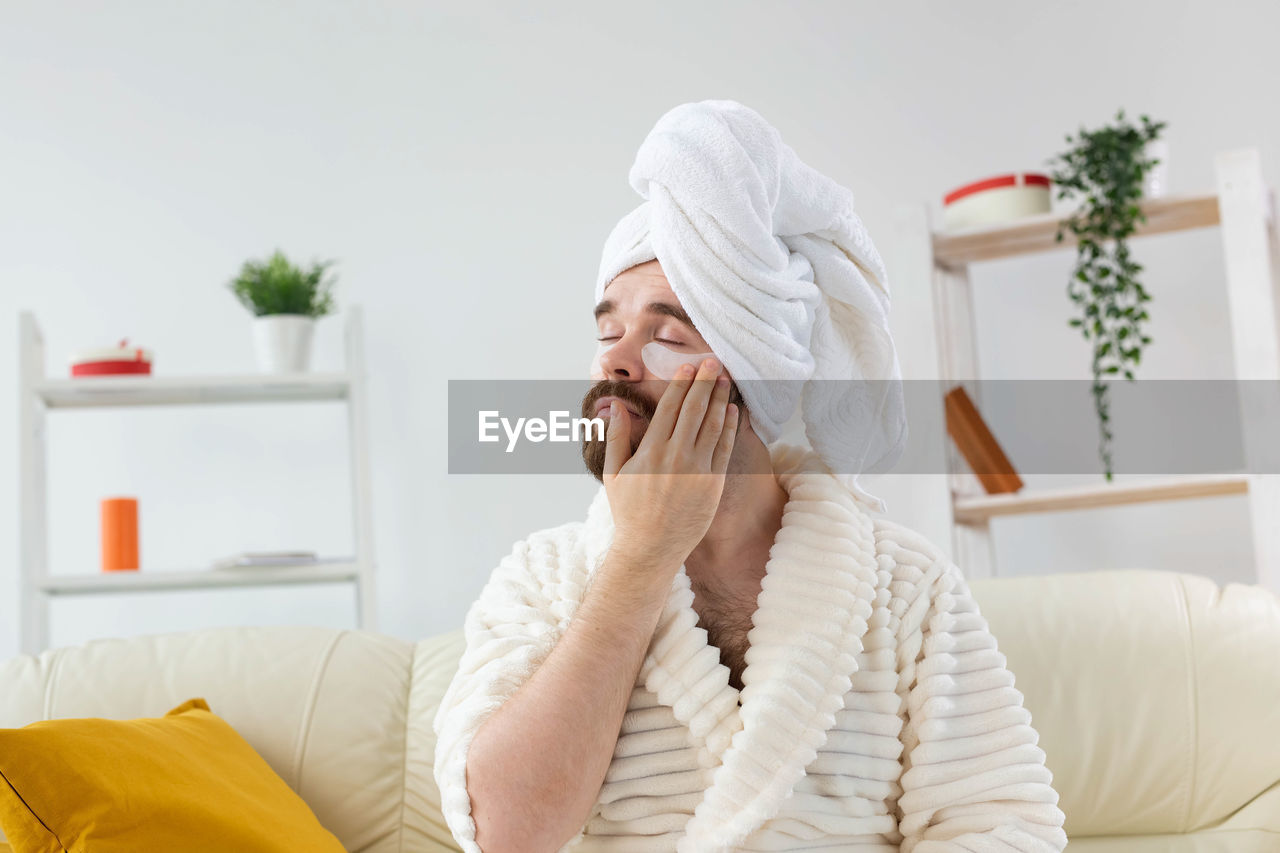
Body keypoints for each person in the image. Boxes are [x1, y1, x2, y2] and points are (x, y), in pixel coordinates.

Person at [433, 100, 1068, 853]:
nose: (615, 359)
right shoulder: (543, 577)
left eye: (666, 333)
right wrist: (640, 556)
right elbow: (505, 834)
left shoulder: (905, 587)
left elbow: (1005, 825)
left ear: (752, 372)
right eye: (608, 330)